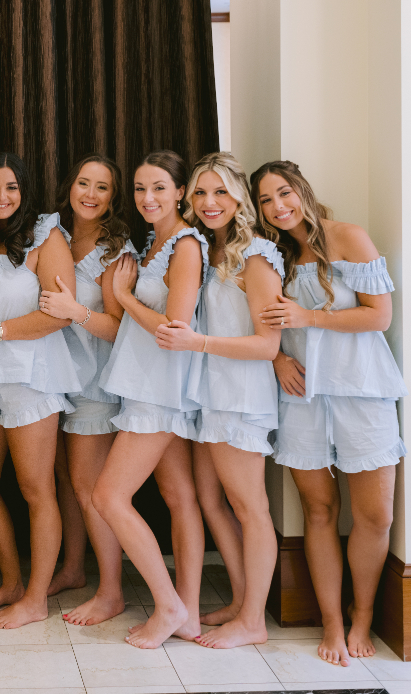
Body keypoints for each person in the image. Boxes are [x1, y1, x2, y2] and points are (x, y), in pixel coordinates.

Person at [252, 160, 406, 667]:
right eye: (266, 201)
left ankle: (363, 616)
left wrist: (309, 316)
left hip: (362, 389)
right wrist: (275, 356)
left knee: (375, 514)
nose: (278, 207)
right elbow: (254, 320)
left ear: (301, 189)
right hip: (303, 395)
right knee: (318, 511)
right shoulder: (270, 255)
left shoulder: (348, 237)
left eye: (284, 193)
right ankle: (333, 624)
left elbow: (378, 314)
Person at [155, 152, 282, 649]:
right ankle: (239, 598)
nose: (210, 203)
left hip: (241, 397)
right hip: (212, 395)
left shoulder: (257, 255)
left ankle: (253, 621)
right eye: (202, 193)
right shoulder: (208, 249)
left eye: (221, 193)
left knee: (251, 508)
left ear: (239, 199)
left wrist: (198, 344)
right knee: (210, 499)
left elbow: (267, 345)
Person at [0, 151, 81, 629]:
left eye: (11, 187)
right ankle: (12, 579)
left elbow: (59, 313)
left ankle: (36, 598)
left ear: (25, 191)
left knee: (36, 490)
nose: (2, 196)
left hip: (32, 379)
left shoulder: (46, 237)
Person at [94, 150, 208, 649]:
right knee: (178, 496)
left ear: (180, 192)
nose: (148, 198)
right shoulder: (155, 243)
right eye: (140, 188)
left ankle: (168, 605)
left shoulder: (184, 246)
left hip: (159, 390)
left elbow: (173, 328)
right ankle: (190, 615)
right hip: (152, 385)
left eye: (159, 187)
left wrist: (124, 298)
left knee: (108, 497)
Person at [37, 155, 134, 626]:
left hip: (95, 380)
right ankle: (73, 568)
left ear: (113, 198)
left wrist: (74, 311)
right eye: (83, 183)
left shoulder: (117, 251)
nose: (90, 194)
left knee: (88, 485)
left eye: (102, 187)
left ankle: (111, 590)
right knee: (65, 482)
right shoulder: (52, 234)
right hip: (56, 377)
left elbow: (120, 330)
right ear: (69, 185)